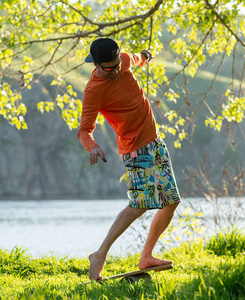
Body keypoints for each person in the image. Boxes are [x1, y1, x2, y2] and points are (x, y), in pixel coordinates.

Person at [78, 38, 181, 281]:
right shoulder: (94, 91)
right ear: (96, 65)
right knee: (140, 203)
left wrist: (145, 55)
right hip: (135, 149)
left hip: (155, 141)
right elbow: (84, 130)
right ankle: (100, 254)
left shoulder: (122, 61)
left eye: (117, 65)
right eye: (109, 68)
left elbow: (135, 58)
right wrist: (92, 147)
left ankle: (146, 256)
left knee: (171, 202)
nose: (115, 72)